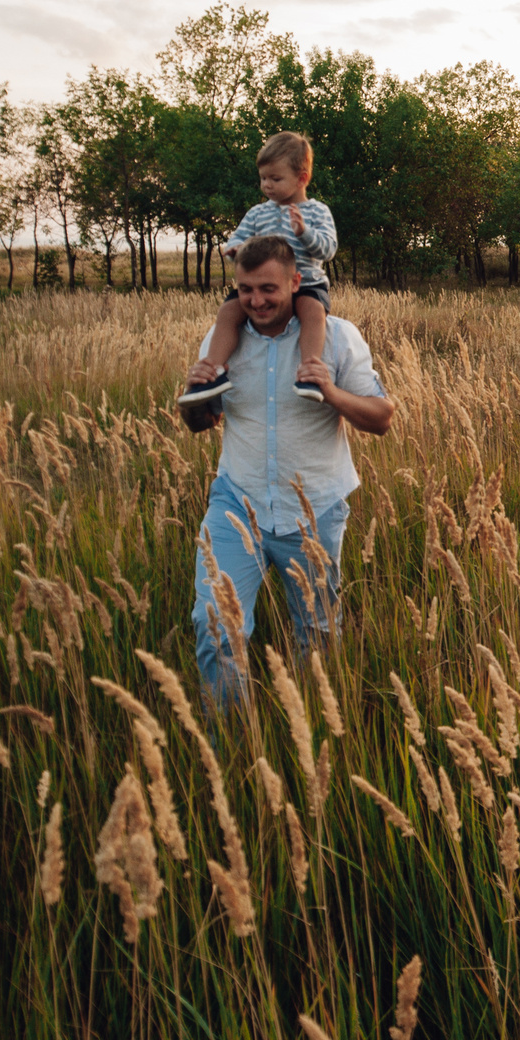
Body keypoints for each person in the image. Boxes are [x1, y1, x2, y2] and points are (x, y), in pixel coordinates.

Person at [178, 235, 393, 701]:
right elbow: (201, 423)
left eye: (268, 289)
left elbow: (382, 418)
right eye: (245, 289)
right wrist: (194, 394)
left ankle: (313, 729)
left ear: (297, 282)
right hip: (237, 504)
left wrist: (331, 392)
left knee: (317, 634)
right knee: (215, 624)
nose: (255, 300)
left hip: (313, 510)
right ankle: (230, 745)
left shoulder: (337, 338)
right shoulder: (222, 342)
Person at [179, 131, 339, 407]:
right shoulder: (257, 213)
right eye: (263, 178)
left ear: (302, 178)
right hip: (262, 287)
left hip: (308, 283)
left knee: (313, 312)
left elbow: (327, 250)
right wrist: (234, 251)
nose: (267, 185)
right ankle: (212, 372)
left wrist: (304, 232)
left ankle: (309, 373)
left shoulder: (317, 212)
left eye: (275, 179)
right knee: (228, 310)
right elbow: (237, 241)